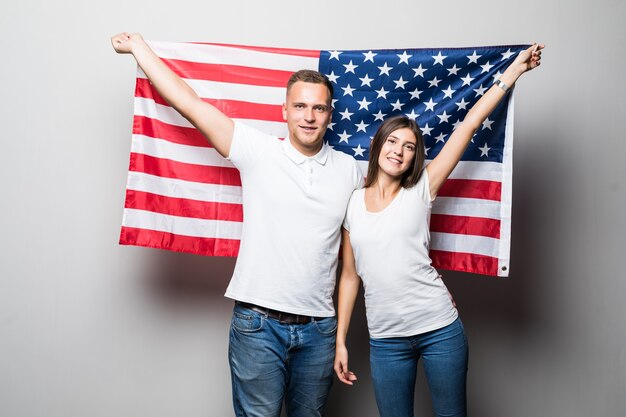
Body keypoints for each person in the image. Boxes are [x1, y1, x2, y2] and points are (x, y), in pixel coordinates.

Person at [111, 33, 363, 417]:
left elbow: (354, 262)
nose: (309, 116)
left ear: (330, 113)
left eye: (318, 108)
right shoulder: (258, 151)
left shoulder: (350, 170)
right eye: (300, 106)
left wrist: (342, 336)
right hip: (258, 325)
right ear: (284, 111)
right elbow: (190, 104)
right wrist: (139, 49)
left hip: (320, 330)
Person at [333, 44, 544, 417]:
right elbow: (350, 277)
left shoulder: (421, 189)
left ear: (416, 157)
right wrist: (340, 341)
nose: (399, 151)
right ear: (378, 144)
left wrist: (512, 74)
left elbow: (469, 125)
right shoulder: (351, 203)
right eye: (393, 141)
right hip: (386, 340)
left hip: (439, 329)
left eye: (410, 147)